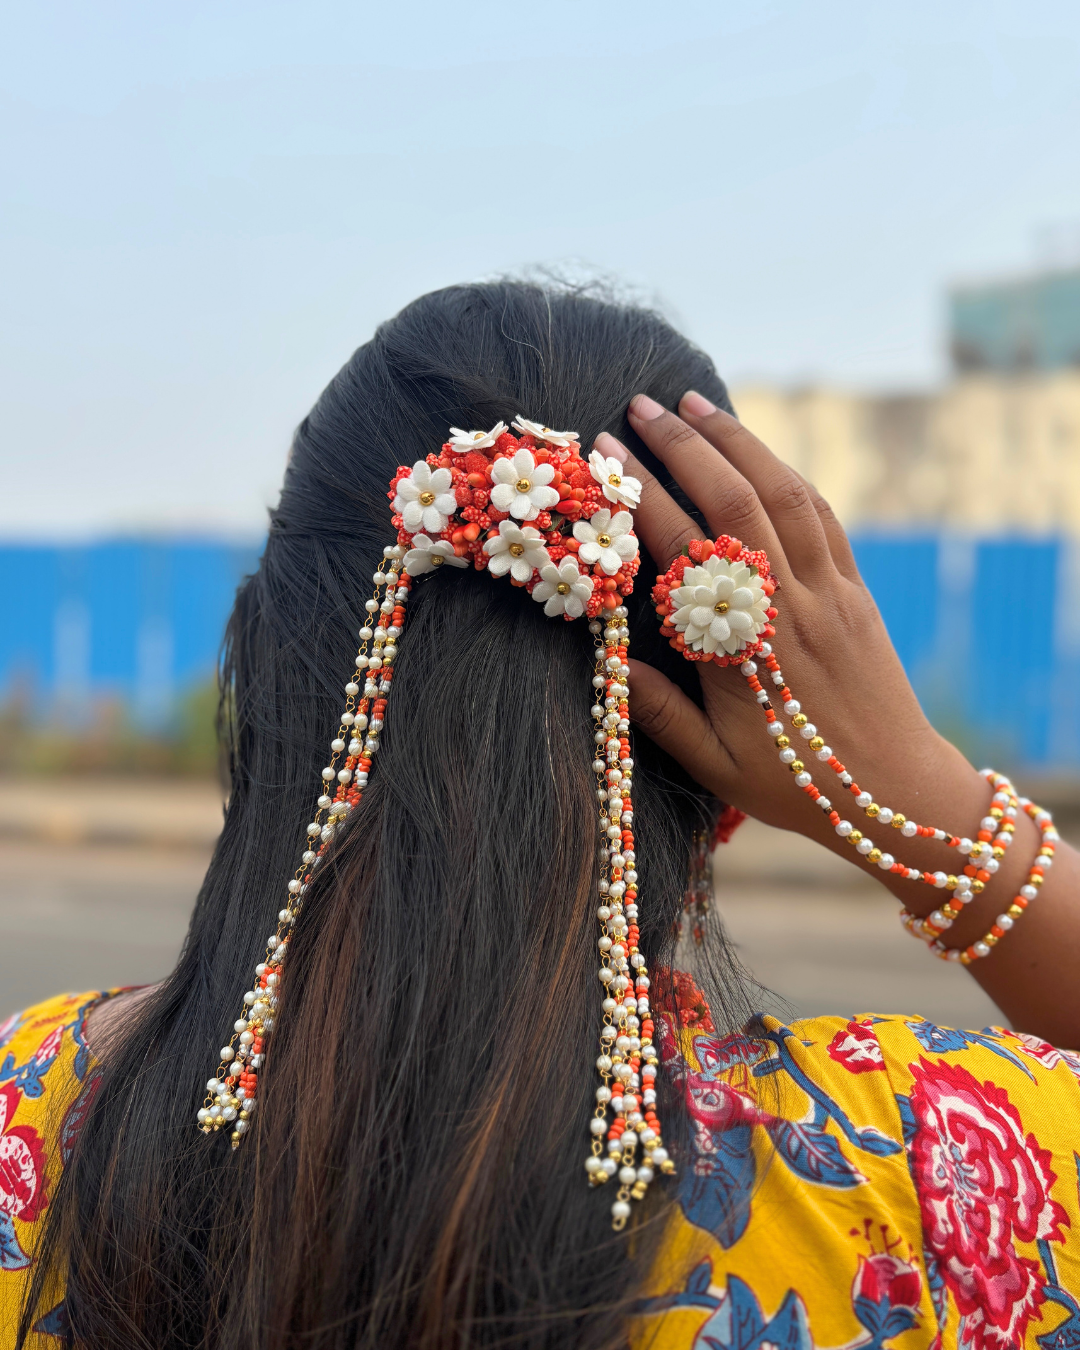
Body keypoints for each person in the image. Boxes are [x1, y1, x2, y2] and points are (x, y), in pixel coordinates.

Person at [3, 280, 1078, 1350]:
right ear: (725, 810)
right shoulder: (941, 1181)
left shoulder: (30, 1108)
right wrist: (922, 803)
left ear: (270, 691)